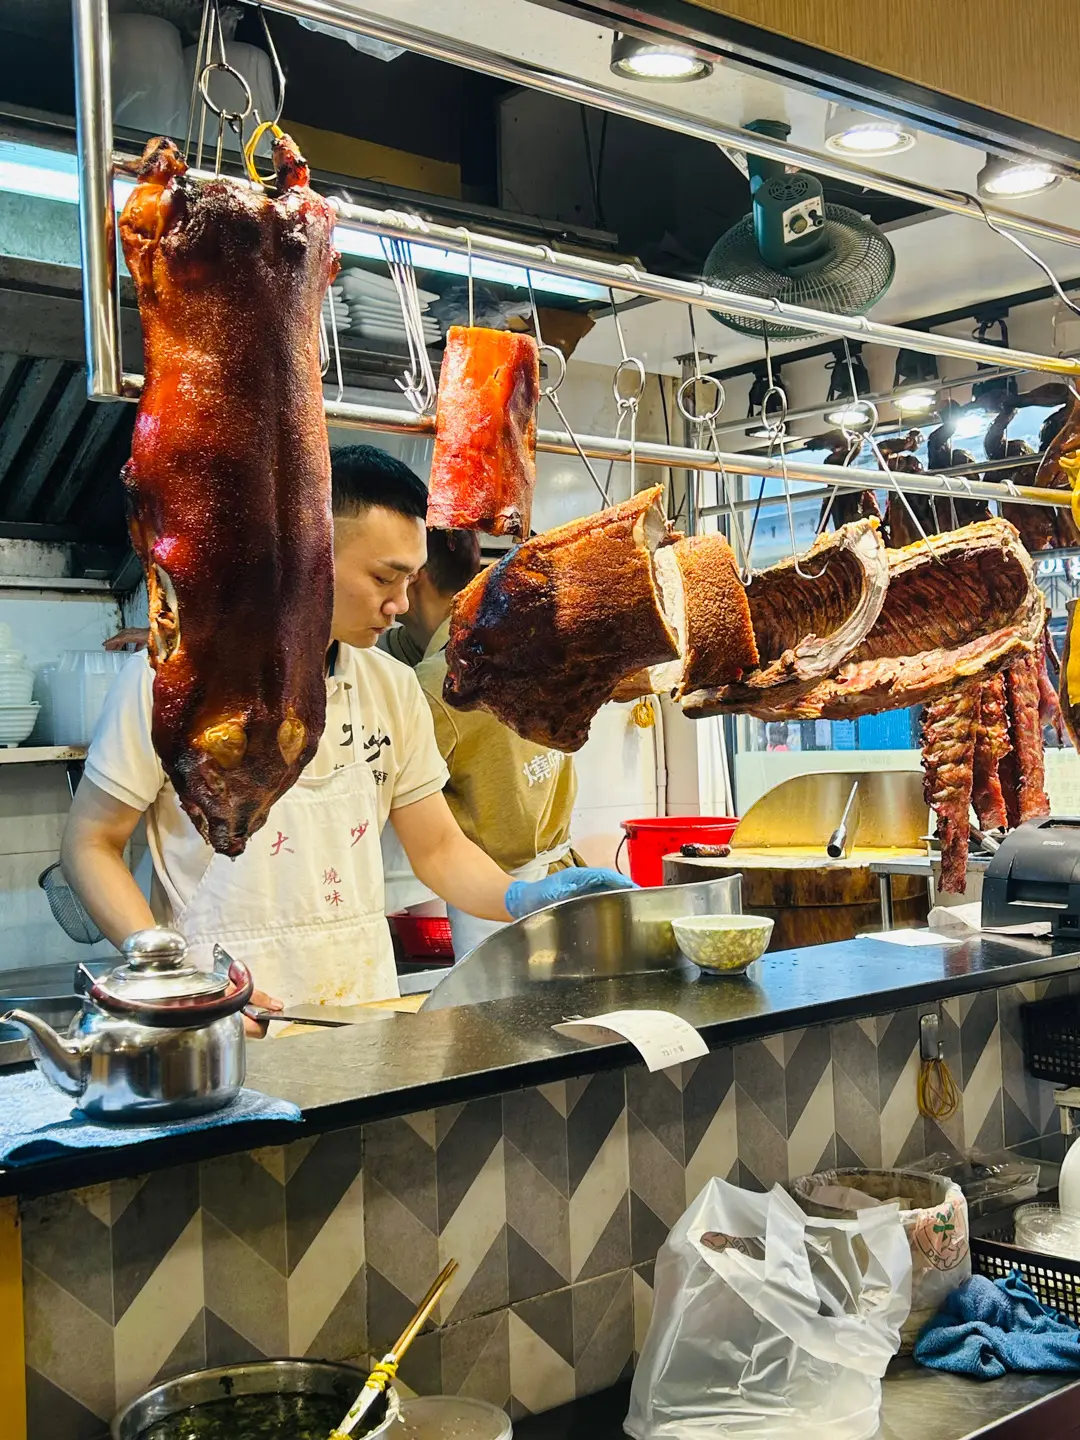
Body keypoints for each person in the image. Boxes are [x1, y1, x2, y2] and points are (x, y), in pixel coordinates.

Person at [60, 444, 631, 1022]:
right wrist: (174, 981)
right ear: (307, 552)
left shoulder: (392, 687)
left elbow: (438, 848)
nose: (400, 604)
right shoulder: (173, 682)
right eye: (384, 577)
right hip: (221, 1023)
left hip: (361, 1017)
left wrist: (521, 898)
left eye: (410, 580)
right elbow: (90, 846)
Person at [381, 519, 582, 957]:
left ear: (415, 575)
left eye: (389, 575)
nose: (389, 601)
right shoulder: (520, 643)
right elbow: (395, 649)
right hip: (551, 874)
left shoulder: (438, 686)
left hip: (490, 895)